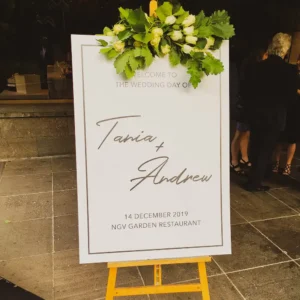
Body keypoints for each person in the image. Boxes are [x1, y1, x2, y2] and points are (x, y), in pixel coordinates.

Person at [243, 33, 298, 192]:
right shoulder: (289, 70)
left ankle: (254, 177)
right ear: (286, 50)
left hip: (256, 113)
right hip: (275, 116)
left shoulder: (257, 66)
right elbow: (291, 98)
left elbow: (248, 90)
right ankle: (256, 182)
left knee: (255, 146)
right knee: (266, 149)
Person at [230, 48, 268, 175]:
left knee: (245, 133)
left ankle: (243, 157)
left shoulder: (250, 67)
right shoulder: (249, 68)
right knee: (239, 133)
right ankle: (234, 161)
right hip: (244, 106)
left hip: (248, 106)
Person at [272, 54, 300, 175]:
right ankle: (276, 163)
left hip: (297, 109)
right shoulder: (291, 71)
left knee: (292, 139)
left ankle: (288, 165)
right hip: (286, 107)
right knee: (280, 137)